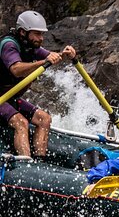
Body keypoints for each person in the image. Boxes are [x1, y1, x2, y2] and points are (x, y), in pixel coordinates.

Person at [0, 10, 76, 158]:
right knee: (21, 122)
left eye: (42, 34)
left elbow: (51, 57)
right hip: (1, 98)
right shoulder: (9, 45)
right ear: (23, 32)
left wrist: (65, 54)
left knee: (44, 118)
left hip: (8, 98)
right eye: (37, 34)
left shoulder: (30, 46)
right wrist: (43, 62)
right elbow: (16, 69)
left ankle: (39, 163)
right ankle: (25, 165)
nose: (41, 38)